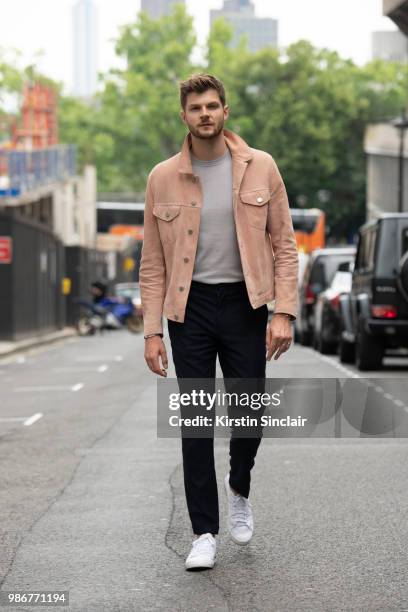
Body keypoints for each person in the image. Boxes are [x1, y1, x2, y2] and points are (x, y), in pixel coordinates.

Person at [139, 74, 298, 570]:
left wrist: (284, 312)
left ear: (225, 111)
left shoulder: (261, 167)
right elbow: (152, 263)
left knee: (248, 418)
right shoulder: (161, 177)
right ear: (183, 116)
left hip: (246, 306)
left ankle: (239, 485)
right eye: (195, 108)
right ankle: (203, 532)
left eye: (212, 105)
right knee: (196, 423)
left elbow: (284, 245)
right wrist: (151, 332)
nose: (204, 113)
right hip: (189, 311)